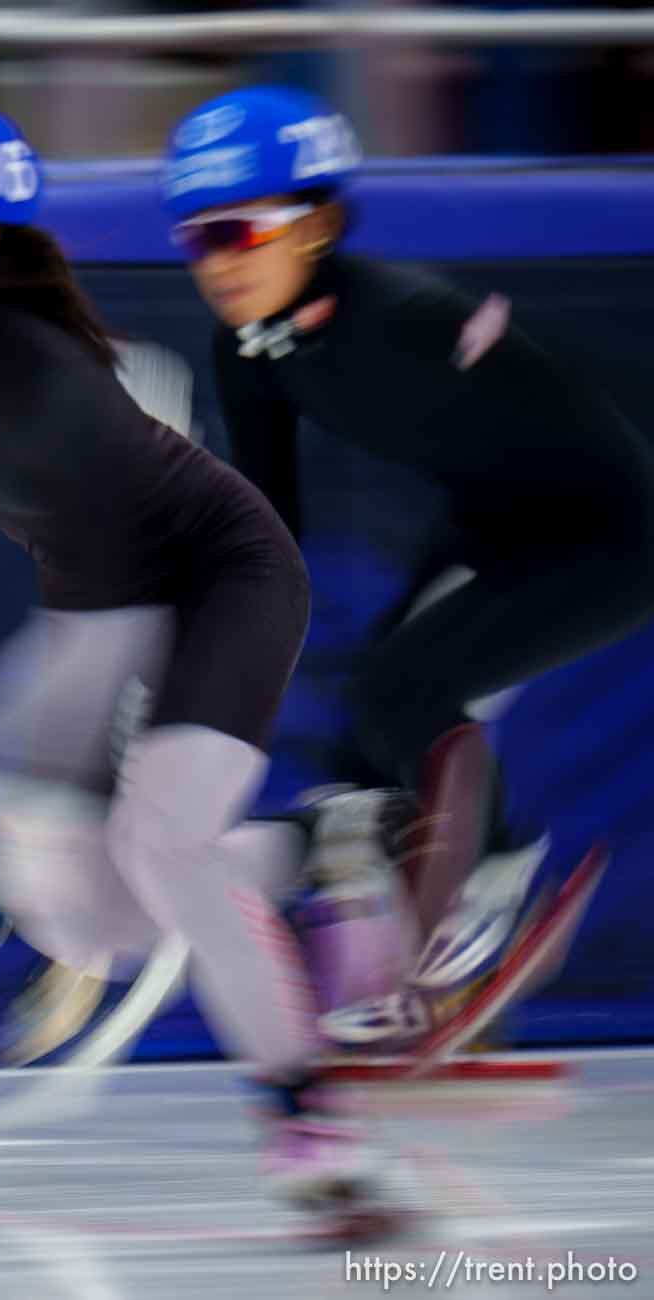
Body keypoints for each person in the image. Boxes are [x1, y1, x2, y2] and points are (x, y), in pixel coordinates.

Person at [0, 90, 400, 1223]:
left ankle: (307, 1116)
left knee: (162, 846)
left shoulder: (36, 378)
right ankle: (320, 850)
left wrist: (15, 764)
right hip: (102, 601)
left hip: (218, 581)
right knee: (92, 921)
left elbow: (124, 621)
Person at [163, 85, 654, 1052]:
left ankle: (488, 900)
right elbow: (271, 524)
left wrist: (484, 342)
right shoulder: (247, 347)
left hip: (614, 537)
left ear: (321, 225)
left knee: (404, 694)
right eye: (193, 239)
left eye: (237, 232)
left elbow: (593, 398)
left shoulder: (408, 316)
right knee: (366, 738)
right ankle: (428, 959)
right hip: (495, 527)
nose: (214, 263)